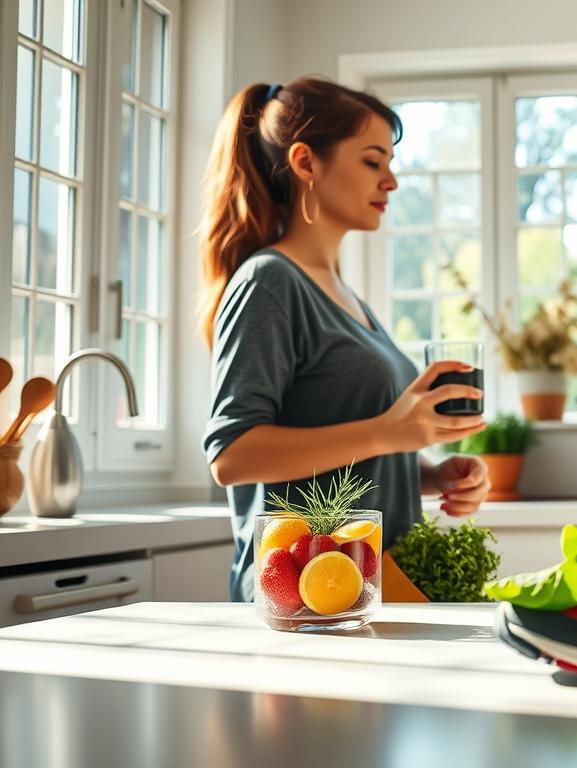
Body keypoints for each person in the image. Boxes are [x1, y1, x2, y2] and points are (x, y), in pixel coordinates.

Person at [197, 77, 490, 600]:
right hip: (306, 598)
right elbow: (232, 455)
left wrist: (432, 474)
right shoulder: (270, 282)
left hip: (366, 588)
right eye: (373, 161)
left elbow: (349, 447)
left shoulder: (346, 297)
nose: (392, 182)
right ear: (307, 162)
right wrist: (388, 433)